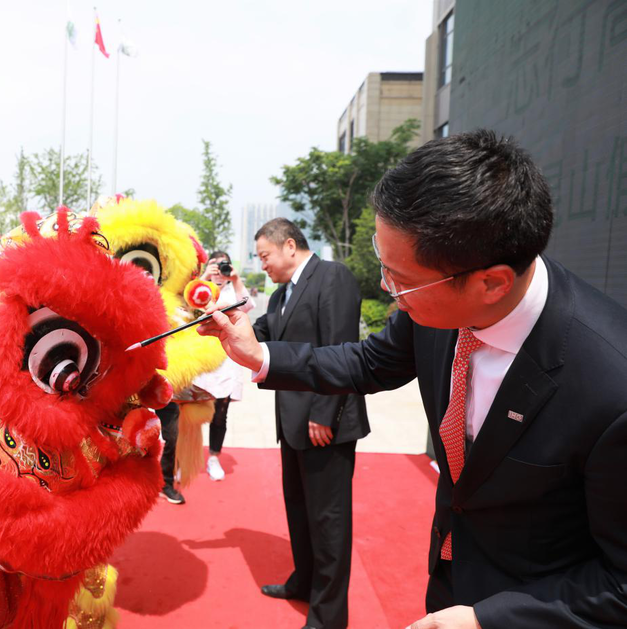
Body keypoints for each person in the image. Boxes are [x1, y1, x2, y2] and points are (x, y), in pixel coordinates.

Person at [199, 130, 627, 629]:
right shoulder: (436, 308)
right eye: (385, 267)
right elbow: (368, 362)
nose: (388, 290)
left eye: (400, 280)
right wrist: (258, 355)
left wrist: (488, 619)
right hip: (446, 582)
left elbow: (619, 584)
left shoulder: (610, 386)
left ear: (492, 283)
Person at [241, 218, 369, 629]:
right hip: (292, 424)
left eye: (265, 256)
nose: (263, 265)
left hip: (323, 423)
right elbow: (259, 337)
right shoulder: (281, 296)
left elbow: (341, 349)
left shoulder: (333, 277)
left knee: (329, 521)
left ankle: (329, 617)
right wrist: (220, 326)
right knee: (299, 511)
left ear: (289, 246)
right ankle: (304, 580)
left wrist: (322, 413)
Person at [193, 250, 255, 481]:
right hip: (200, 360)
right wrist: (204, 277)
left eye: (223, 266)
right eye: (214, 265)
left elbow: (248, 306)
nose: (219, 271)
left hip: (226, 361)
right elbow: (187, 305)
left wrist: (236, 279)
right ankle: (185, 458)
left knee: (220, 414)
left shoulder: (233, 289)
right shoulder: (201, 288)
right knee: (192, 412)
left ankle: (213, 458)